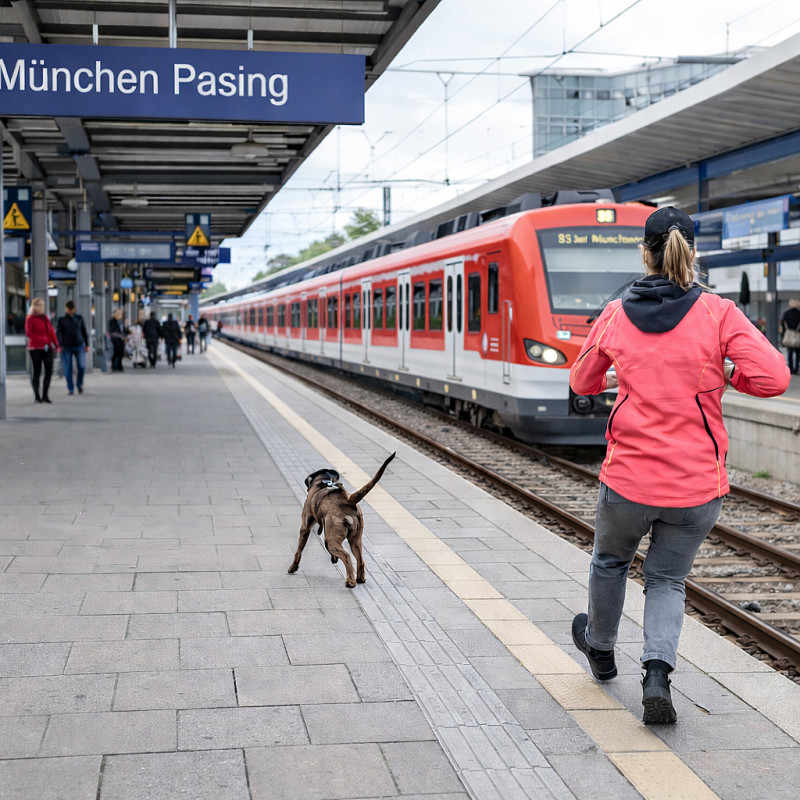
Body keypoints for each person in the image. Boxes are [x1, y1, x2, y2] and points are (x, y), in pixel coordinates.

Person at [569, 207, 790, 726]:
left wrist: (621, 372)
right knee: (667, 580)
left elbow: (581, 381)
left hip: (628, 481)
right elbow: (775, 378)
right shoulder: (718, 313)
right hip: (695, 487)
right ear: (693, 254)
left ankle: (600, 649)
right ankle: (656, 675)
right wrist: (727, 371)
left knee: (609, 562)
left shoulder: (617, 312)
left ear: (645, 253)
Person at [25, 297, 59, 404]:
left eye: (43, 305)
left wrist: (56, 344)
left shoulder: (45, 318)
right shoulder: (29, 318)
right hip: (35, 348)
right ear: (34, 307)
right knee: (37, 371)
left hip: (47, 347)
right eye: (40, 305)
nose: (42, 307)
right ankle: (37, 396)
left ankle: (45, 395)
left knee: (49, 371)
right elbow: (28, 333)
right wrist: (41, 340)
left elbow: (51, 331)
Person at [56, 300, 89, 395]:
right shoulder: (61, 320)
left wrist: (87, 344)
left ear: (74, 309)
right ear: (65, 309)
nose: (70, 311)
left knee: (81, 366)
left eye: (72, 309)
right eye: (68, 309)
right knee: (68, 368)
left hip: (79, 345)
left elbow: (84, 332)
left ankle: (79, 384)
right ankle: (70, 388)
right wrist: (60, 344)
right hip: (66, 347)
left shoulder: (79, 318)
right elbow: (59, 333)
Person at [779, 298, 800, 375]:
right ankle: (796, 369)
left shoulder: (786, 313)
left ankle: (790, 369)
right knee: (798, 354)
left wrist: (783, 335)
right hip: (797, 336)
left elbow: (782, 324)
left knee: (790, 354)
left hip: (788, 335)